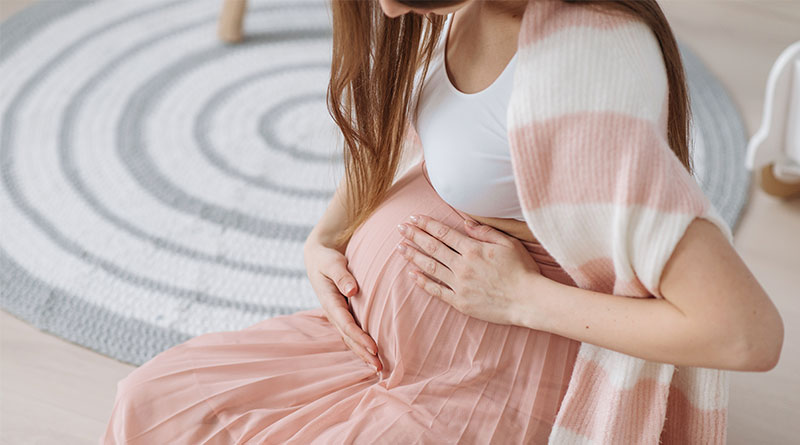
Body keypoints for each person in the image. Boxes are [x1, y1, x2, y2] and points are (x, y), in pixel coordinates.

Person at [100, 1, 784, 443]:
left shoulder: (589, 66)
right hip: (378, 348)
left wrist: (521, 298)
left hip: (489, 379)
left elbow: (745, 332)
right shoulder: (470, 7)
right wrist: (325, 237)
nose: (394, 8)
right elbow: (436, 139)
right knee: (147, 403)